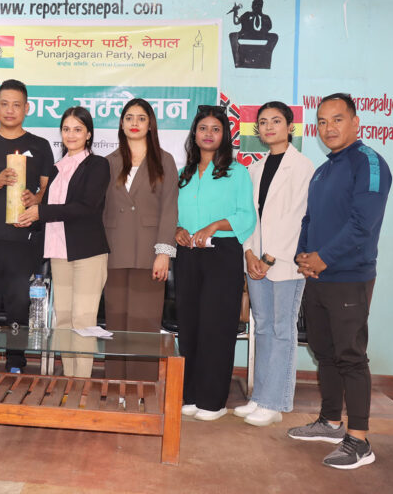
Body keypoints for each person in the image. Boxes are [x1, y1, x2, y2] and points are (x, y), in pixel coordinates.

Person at [287, 93, 391, 470]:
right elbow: (310, 219)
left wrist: (325, 257)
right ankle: (330, 423)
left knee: (350, 356)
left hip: (349, 276)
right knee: (324, 350)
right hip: (318, 276)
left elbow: (363, 224)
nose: (328, 128)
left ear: (355, 122)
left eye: (337, 119)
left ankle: (359, 441)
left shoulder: (369, 163)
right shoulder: (323, 170)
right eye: (322, 121)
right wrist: (303, 254)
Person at [233, 102, 314, 425]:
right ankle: (260, 397)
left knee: (282, 329)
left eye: (276, 121)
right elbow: (248, 216)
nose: (269, 127)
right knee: (263, 327)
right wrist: (250, 254)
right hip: (256, 262)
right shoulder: (255, 168)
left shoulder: (303, 166)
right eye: (263, 122)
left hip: (284, 263)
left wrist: (269, 257)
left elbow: (298, 217)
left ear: (290, 127)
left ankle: (275, 402)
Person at [175, 105, 256, 421]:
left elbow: (246, 216)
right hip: (187, 255)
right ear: (194, 134)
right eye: (203, 128)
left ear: (224, 136)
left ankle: (213, 401)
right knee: (189, 325)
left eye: (215, 129)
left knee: (216, 326)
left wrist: (215, 225)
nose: (208, 134)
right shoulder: (184, 174)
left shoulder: (237, 172)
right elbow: (174, 215)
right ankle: (191, 395)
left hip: (222, 254)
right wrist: (177, 230)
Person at [18, 107, 110, 378]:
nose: (71, 135)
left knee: (83, 322)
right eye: (66, 129)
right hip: (58, 252)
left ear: (89, 134)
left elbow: (86, 207)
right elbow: (50, 213)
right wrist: (28, 216)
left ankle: (83, 384)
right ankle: (70, 381)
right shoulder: (56, 169)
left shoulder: (98, 165)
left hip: (87, 253)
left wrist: (41, 212)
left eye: (78, 129)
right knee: (64, 321)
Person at [0, 79, 52, 373]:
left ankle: (17, 361)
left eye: (17, 105)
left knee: (20, 307)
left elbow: (48, 191)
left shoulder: (40, 146)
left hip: (23, 243)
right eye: (4, 104)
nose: (10, 110)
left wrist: (35, 199)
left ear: (27, 108)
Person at [103, 98, 178, 381]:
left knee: (144, 325)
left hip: (150, 253)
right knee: (115, 325)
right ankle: (115, 385)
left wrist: (163, 253)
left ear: (150, 125)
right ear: (121, 124)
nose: (134, 123)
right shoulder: (108, 162)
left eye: (141, 118)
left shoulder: (164, 160)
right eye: (129, 118)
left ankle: (141, 388)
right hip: (114, 250)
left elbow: (169, 208)